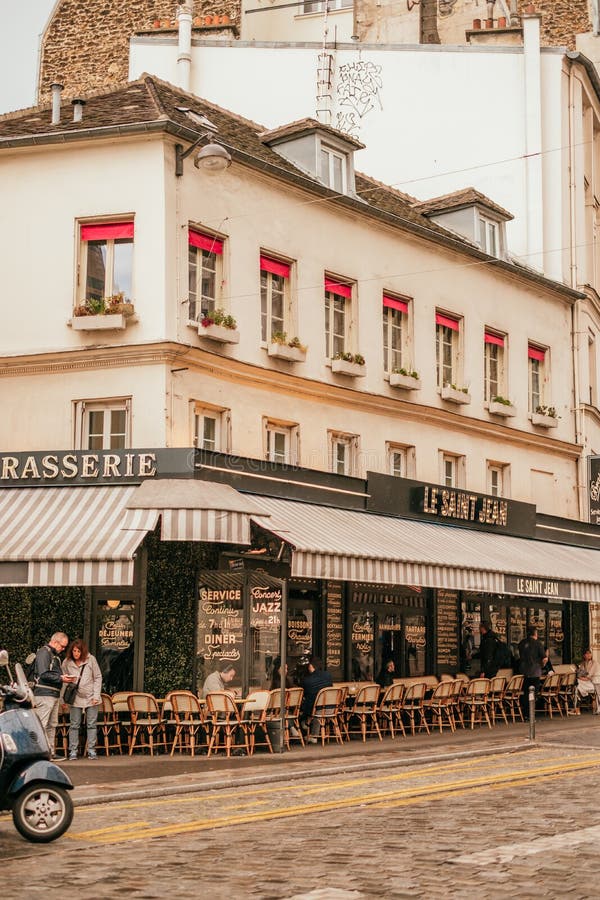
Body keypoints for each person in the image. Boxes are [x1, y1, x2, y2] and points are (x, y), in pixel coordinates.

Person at [32, 632, 77, 760]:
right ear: (55, 642)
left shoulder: (53, 655)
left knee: (52, 725)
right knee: (42, 724)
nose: (63, 649)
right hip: (44, 694)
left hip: (52, 694)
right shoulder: (44, 652)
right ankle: (40, 753)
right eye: (62, 646)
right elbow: (44, 674)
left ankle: (50, 752)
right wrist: (61, 678)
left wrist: (62, 678)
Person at [61, 638, 102, 760]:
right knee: (74, 725)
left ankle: (91, 750)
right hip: (75, 697)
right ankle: (73, 751)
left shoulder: (91, 660)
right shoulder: (67, 662)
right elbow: (63, 681)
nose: (76, 653)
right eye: (74, 651)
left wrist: (96, 696)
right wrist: (62, 699)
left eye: (78, 651)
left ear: (83, 651)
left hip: (91, 697)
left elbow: (98, 677)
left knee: (91, 724)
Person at [300, 656, 333, 743]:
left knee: (308, 704)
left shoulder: (307, 680)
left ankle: (306, 725)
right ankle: (307, 725)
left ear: (311, 666)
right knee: (313, 703)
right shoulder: (328, 676)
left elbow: (305, 695)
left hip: (318, 710)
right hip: (332, 709)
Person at [518, 625, 546, 715]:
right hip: (535, 671)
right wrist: (542, 665)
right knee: (533, 694)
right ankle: (531, 714)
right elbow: (544, 658)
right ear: (535, 633)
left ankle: (525, 713)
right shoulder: (538, 643)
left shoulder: (522, 643)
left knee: (526, 693)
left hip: (523, 672)